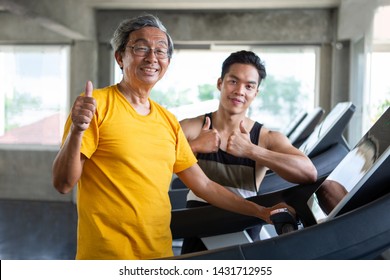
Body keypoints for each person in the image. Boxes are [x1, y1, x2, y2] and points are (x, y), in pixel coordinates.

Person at [52, 14, 294, 260]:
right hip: (107, 255)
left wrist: (262, 212)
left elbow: (205, 186)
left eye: (161, 51)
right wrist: (77, 131)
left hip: (159, 253)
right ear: (120, 57)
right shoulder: (95, 106)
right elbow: (63, 183)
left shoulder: (167, 120)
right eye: (141, 48)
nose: (152, 57)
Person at [179, 50, 318, 253]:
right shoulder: (191, 128)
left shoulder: (265, 137)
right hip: (199, 224)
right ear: (220, 83)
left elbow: (308, 172)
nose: (240, 91)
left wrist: (252, 151)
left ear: (256, 93)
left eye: (249, 86)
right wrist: (193, 147)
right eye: (233, 82)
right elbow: (153, 162)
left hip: (244, 226)